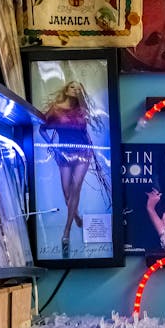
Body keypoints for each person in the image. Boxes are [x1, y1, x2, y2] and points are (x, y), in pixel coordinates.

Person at [39, 80, 102, 257]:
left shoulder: (82, 109)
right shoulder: (56, 109)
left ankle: (66, 233)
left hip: (83, 152)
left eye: (79, 88)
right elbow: (42, 129)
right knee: (66, 191)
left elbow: (86, 129)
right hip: (64, 152)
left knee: (76, 188)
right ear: (66, 90)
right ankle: (75, 215)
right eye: (72, 87)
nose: (75, 90)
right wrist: (52, 145)